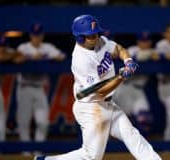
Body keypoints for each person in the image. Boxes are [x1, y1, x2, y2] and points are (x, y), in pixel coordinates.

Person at [34, 14, 161, 160]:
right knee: (91, 157)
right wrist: (122, 77)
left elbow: (118, 49)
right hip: (91, 108)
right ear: (80, 37)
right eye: (90, 35)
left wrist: (128, 60)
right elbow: (100, 92)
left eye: (96, 33)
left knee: (131, 134)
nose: (95, 37)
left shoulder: (100, 41)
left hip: (108, 104)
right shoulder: (80, 59)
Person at [16, 23, 65, 143]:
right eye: (34, 35)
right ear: (30, 35)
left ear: (42, 36)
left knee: (43, 121)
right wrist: (31, 57)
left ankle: (38, 149)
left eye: (38, 35)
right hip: (24, 87)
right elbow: (16, 59)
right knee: (23, 121)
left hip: (39, 87)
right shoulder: (23, 47)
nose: (36, 37)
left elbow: (61, 56)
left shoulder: (47, 47)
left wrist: (45, 57)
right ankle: (25, 151)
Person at [113, 31, 158, 135]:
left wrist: (153, 54)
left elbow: (159, 57)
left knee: (145, 118)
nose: (144, 43)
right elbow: (135, 59)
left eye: (147, 41)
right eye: (142, 41)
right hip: (124, 88)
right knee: (122, 119)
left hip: (139, 90)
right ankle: (117, 146)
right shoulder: (131, 50)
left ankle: (138, 145)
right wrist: (149, 54)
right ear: (138, 42)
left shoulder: (153, 52)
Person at [0, 35, 17, 141]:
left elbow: (20, 55)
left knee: (0, 120)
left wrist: (6, 57)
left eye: (3, 46)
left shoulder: (7, 51)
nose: (1, 48)